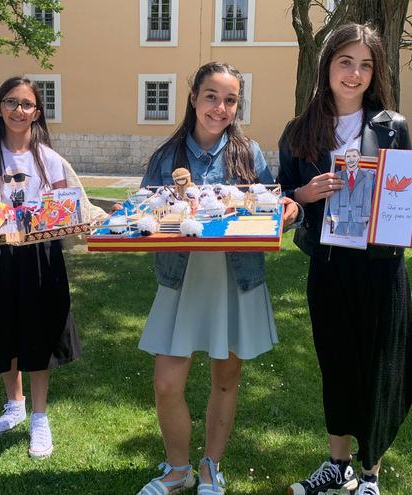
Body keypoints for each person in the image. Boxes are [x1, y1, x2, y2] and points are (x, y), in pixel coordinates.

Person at [276, 23, 412, 495]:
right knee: (337, 364)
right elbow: (282, 204)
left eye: (365, 65)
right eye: (345, 62)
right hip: (328, 268)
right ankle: (338, 464)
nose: (354, 74)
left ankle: (369, 473)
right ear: (327, 65)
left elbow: (406, 194)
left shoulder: (392, 126)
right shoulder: (299, 132)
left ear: (375, 73)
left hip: (381, 267)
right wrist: (302, 194)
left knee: (378, 368)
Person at [137, 62, 301, 495]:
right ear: (193, 98)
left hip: (235, 279)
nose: (220, 107)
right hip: (182, 280)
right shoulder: (165, 158)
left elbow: (269, 208)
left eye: (230, 100)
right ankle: (178, 470)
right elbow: (144, 216)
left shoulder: (249, 154)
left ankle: (210, 467)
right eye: (211, 96)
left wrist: (287, 213)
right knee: (167, 383)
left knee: (225, 378)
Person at [0, 76, 81, 459]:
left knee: (39, 334)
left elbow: (72, 205)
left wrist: (102, 219)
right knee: (4, 331)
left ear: (37, 112)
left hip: (41, 258)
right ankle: (14, 406)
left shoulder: (50, 159)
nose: (18, 110)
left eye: (27, 104)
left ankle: (40, 418)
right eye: (11, 102)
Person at [327, 148, 375, 237]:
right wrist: (332, 213)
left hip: (358, 213)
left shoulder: (368, 176)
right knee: (338, 236)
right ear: (345, 159)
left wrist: (366, 214)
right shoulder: (337, 175)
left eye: (354, 156)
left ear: (359, 158)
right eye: (348, 156)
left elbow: (367, 197)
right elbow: (335, 196)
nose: (351, 159)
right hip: (341, 212)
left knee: (357, 236)